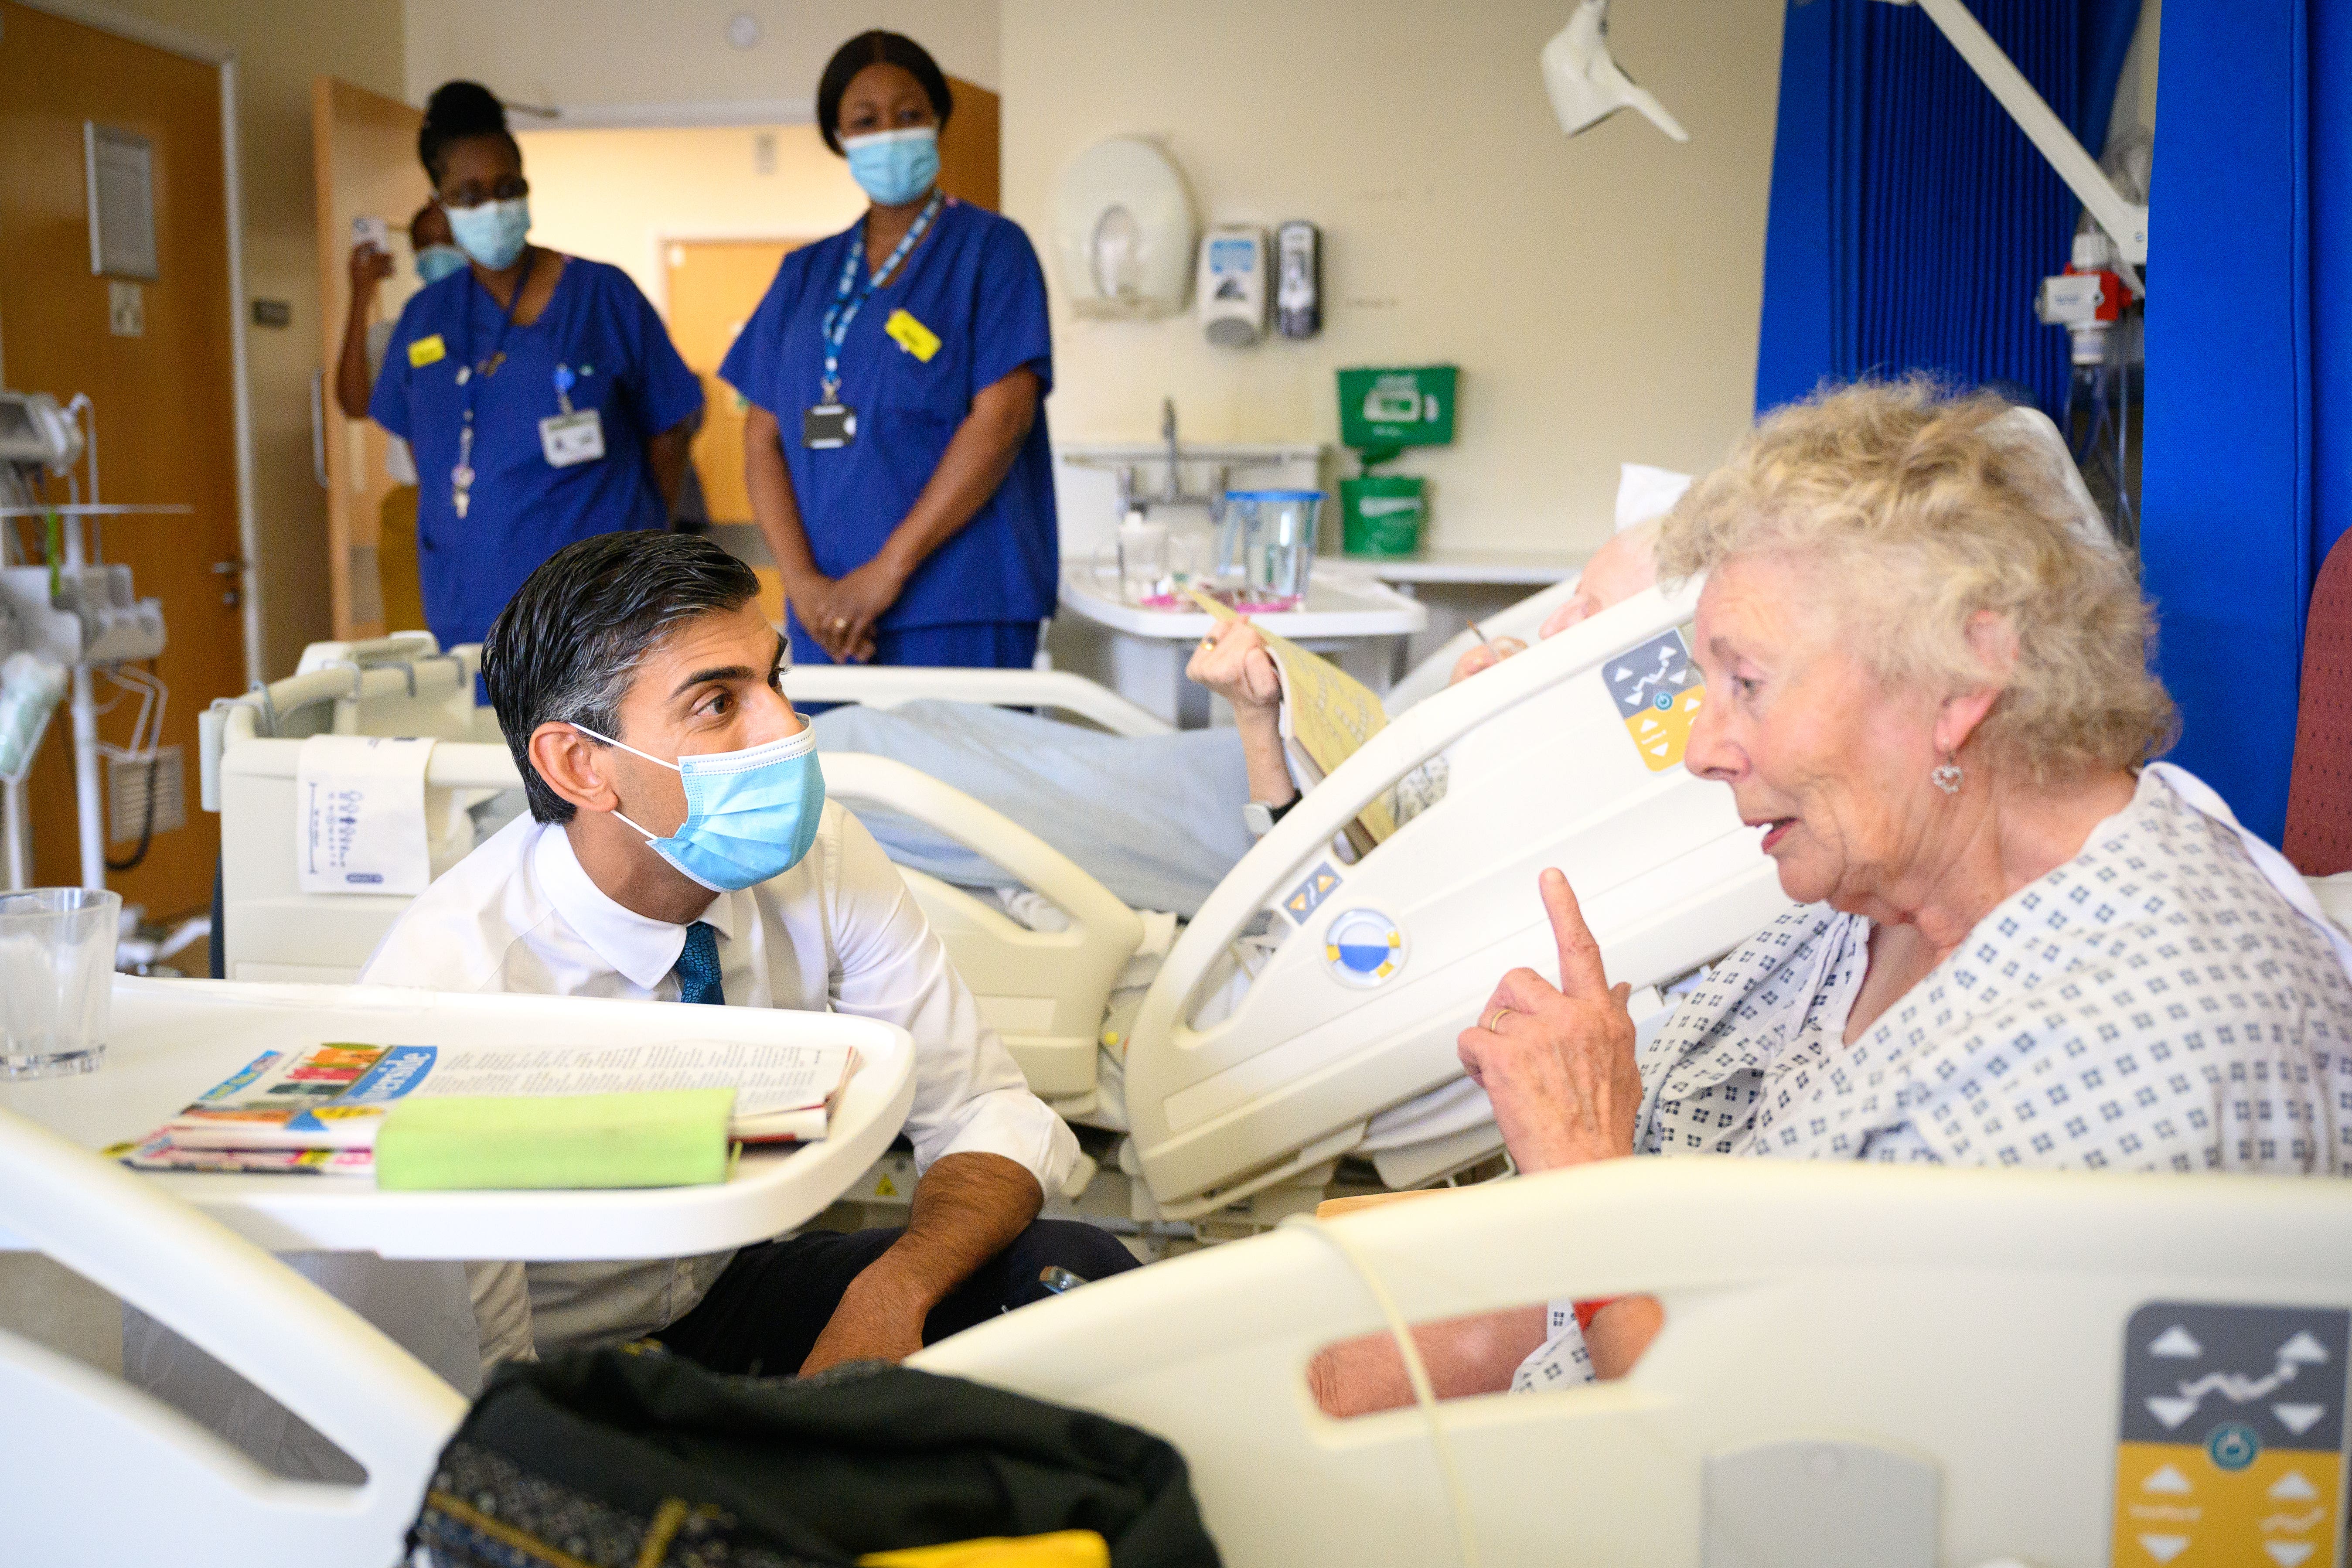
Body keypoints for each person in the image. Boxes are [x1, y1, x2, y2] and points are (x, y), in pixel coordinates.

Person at [1310, 380, 2352, 1414]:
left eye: (1746, 683)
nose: (1698, 748)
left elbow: (1769, 1466)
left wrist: (1583, 1173)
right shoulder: (1869, 901)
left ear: (1963, 677)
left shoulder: (2136, 1049)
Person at [361, 530, 1136, 1374]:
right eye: (718, 704)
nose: (788, 728)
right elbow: (466, 1356)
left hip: (721, 1291)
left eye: (775, 680)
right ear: (581, 765)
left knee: (1071, 1278)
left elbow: (981, 1107)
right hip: (556, 1352)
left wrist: (892, 1294)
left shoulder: (821, 855)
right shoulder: (453, 983)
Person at [724, 31, 1057, 671]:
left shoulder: (993, 251)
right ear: (838, 138)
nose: (889, 132)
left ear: (937, 119)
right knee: (836, 773)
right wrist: (801, 585)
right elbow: (762, 438)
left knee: (957, 772)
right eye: (865, 120)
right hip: (825, 616)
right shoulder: (803, 275)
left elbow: (1002, 422)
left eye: (908, 115)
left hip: (959, 602)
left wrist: (884, 574)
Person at [369, 81, 704, 657]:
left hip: (602, 616)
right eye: (469, 195)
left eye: (508, 188)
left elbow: (669, 432)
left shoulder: (603, 295)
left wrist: (641, 551)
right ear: (440, 203)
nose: (493, 207)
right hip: (470, 616)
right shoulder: (426, 316)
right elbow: (423, 444)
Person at [337, 201, 467, 636]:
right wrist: (361, 295)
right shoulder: (402, 331)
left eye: (447, 240)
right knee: (418, 645)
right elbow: (354, 402)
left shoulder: (501, 327)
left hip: (486, 502)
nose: (437, 252)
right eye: (425, 244)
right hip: (415, 505)